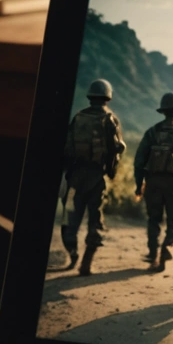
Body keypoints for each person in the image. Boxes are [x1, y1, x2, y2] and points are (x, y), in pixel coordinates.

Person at [61, 79, 125, 276]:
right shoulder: (110, 119)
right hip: (98, 178)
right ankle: (86, 262)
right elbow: (117, 148)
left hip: (75, 177)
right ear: (108, 97)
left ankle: (72, 254)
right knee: (95, 218)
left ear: (90, 96)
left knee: (70, 217)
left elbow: (66, 148)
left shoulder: (78, 117)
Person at [133, 91, 173, 271]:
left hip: (152, 182)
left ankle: (153, 254)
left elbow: (139, 162)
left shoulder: (152, 132)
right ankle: (167, 247)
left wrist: (139, 185)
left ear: (162, 110)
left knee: (153, 219)